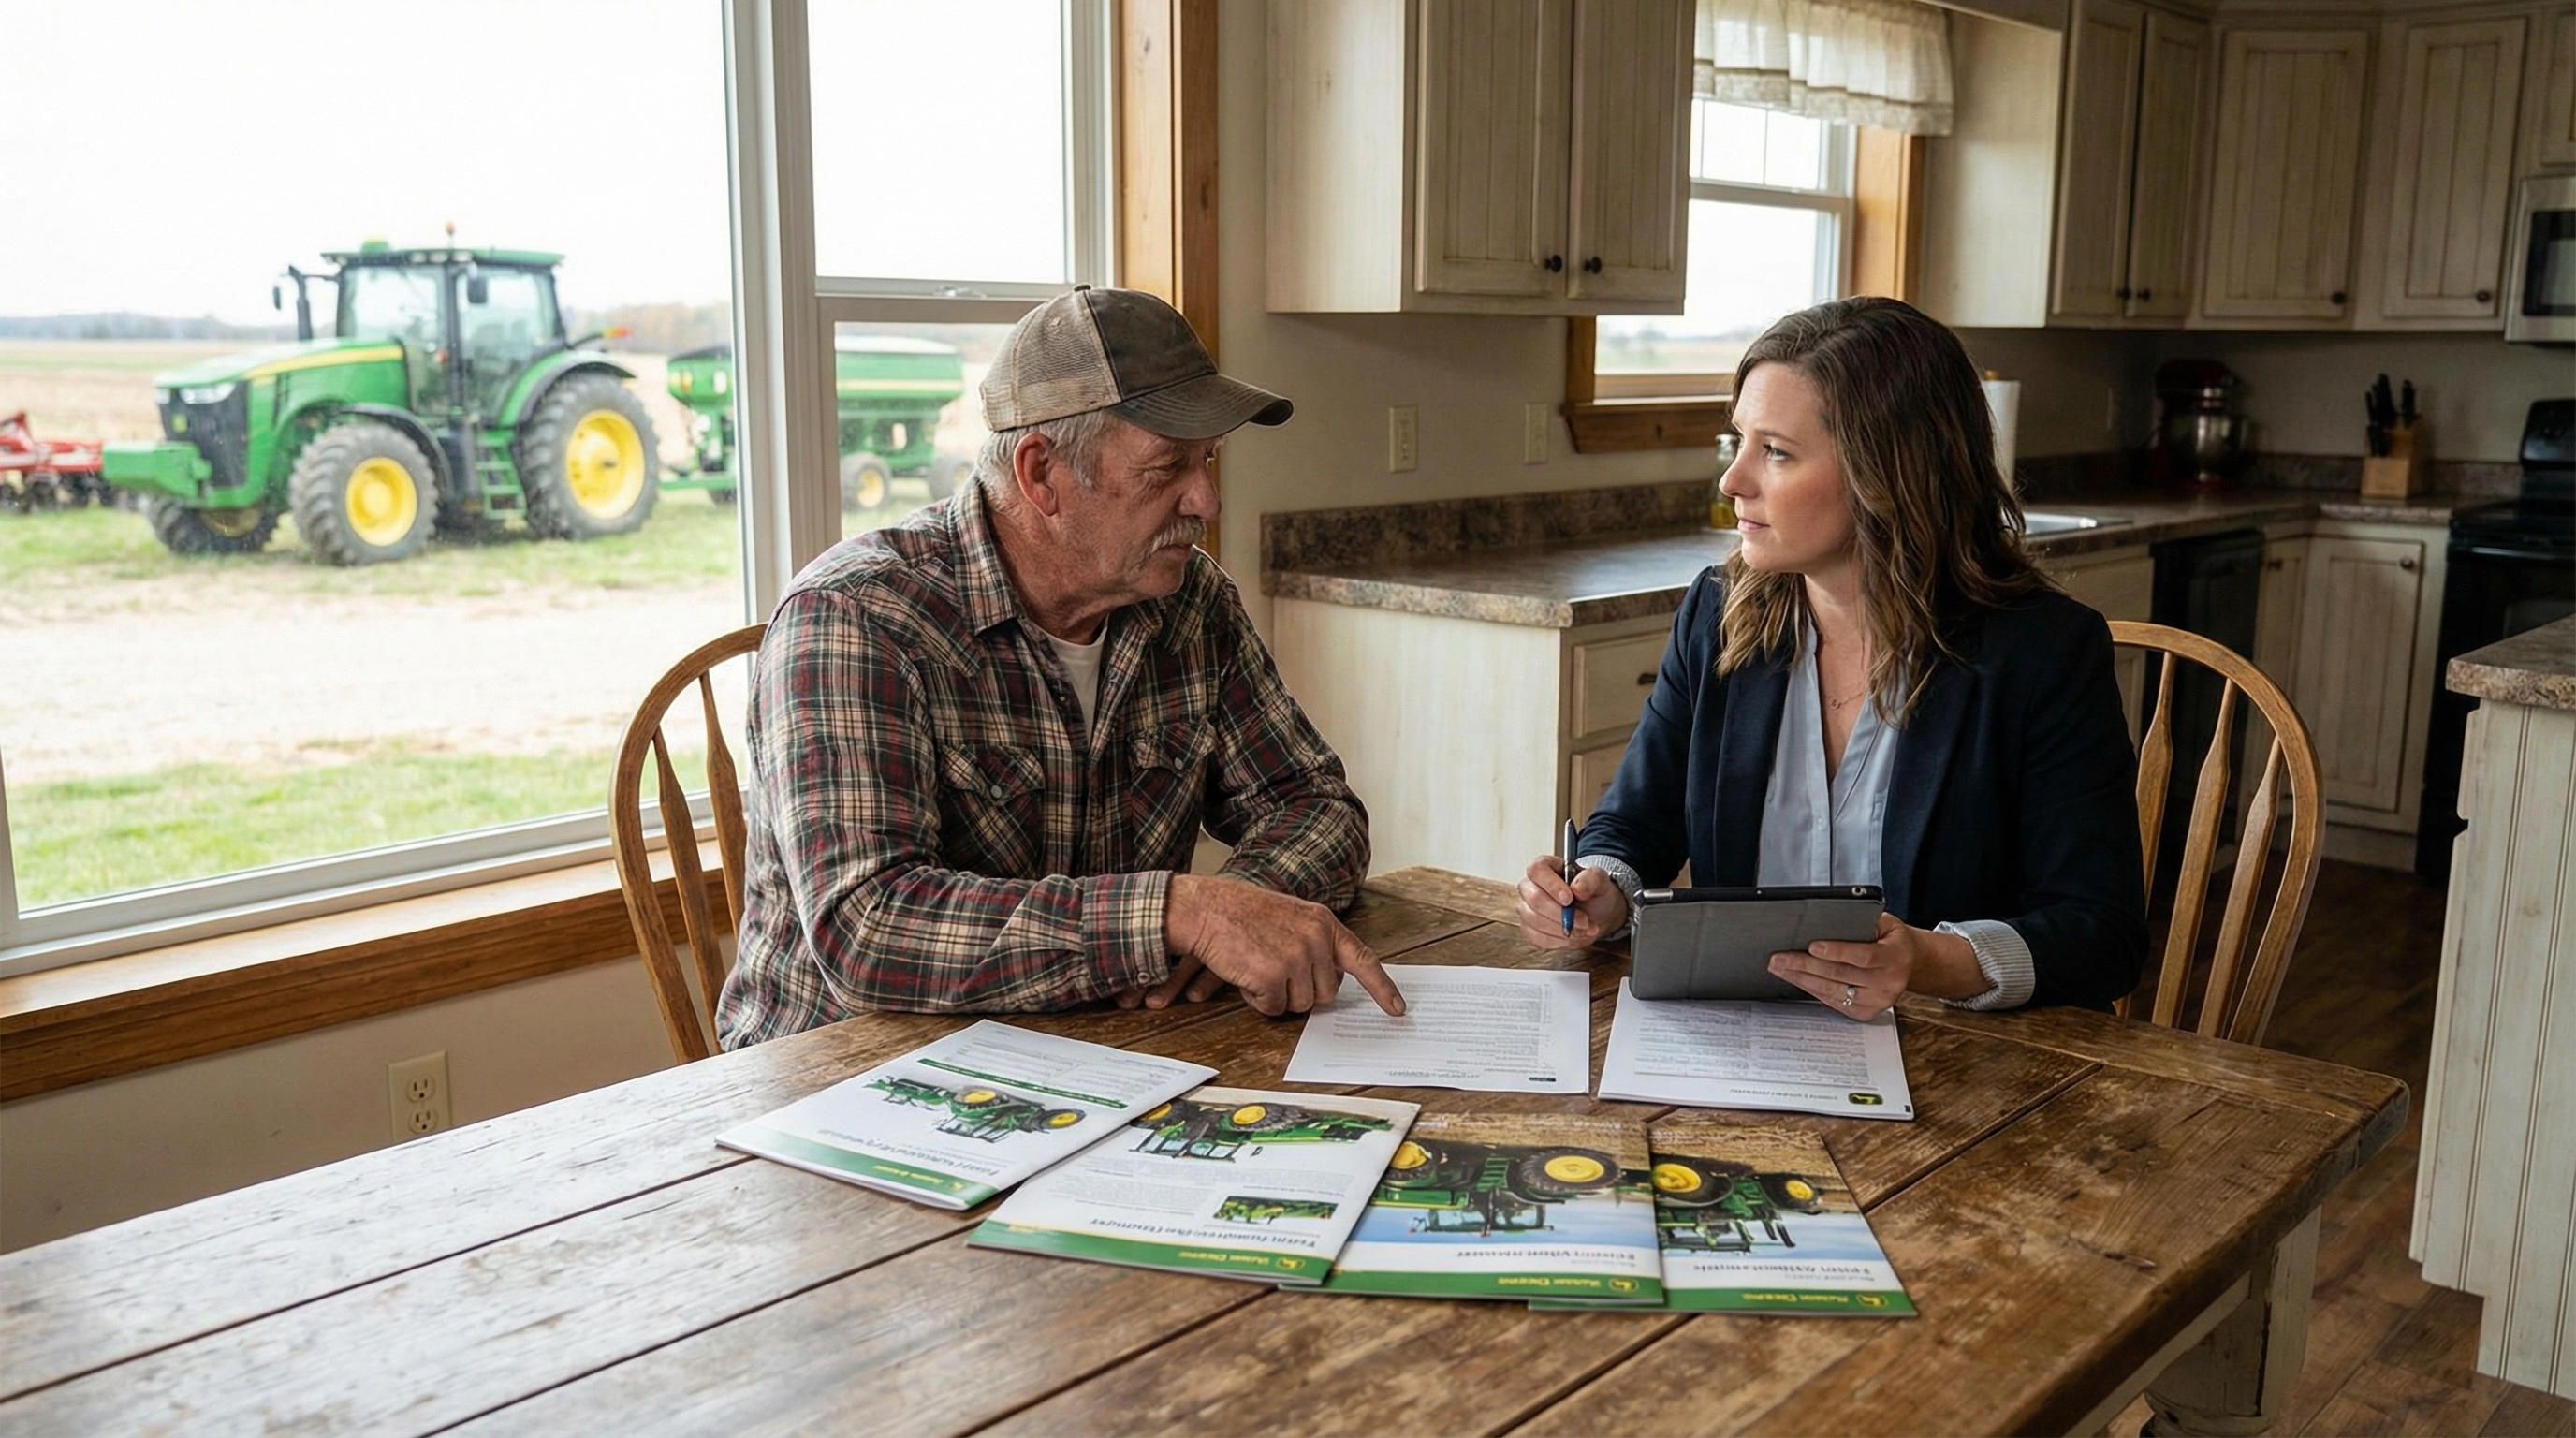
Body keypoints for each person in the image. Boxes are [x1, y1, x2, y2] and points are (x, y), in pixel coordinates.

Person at [718, 286, 1404, 1047]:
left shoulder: (1191, 602)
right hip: (844, 1084)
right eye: (1165, 468)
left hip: (1091, 1057)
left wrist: (1243, 903)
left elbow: (1316, 805)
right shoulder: (855, 618)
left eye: (1208, 460)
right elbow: (869, 930)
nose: (1205, 498)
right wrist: (1178, 913)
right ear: (1041, 473)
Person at [1515, 298, 2145, 1019]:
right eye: (1738, 441)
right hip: (1748, 1036)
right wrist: (1602, 885)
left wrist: (1927, 961)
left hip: (1961, 1057)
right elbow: (1635, 826)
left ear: (1889, 474)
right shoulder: (1718, 614)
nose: (1733, 481)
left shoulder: (2043, 653)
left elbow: (2103, 934)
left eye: (1776, 452)